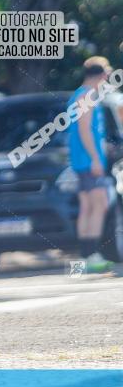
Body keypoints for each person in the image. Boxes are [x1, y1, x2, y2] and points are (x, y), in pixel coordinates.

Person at [68, 56, 115, 273]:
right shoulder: (86, 95)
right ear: (102, 75)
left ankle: (85, 257)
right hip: (88, 161)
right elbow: (84, 130)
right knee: (100, 204)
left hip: (81, 161)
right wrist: (95, 158)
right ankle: (92, 254)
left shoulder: (79, 94)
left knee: (87, 206)